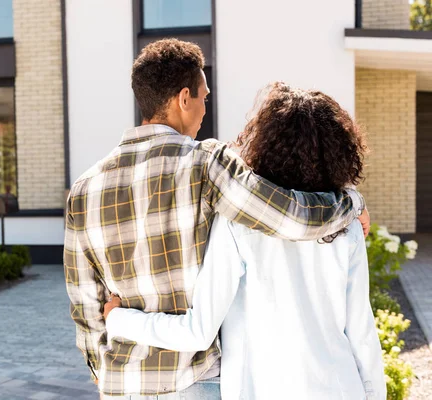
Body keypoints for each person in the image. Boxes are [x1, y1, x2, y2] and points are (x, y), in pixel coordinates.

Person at [64, 39, 369, 399]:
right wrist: (350, 202)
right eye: (204, 97)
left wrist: (99, 369)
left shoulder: (84, 189)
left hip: (123, 384)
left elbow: (85, 302)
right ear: (183, 99)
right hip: (195, 380)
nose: (205, 109)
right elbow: (292, 218)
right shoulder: (206, 163)